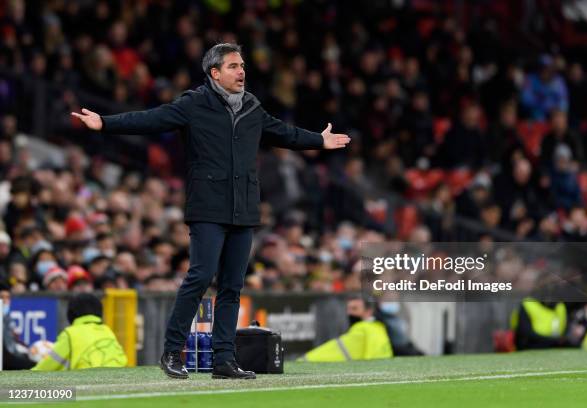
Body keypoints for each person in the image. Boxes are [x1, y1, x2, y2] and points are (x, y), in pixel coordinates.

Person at [71, 43, 350, 379]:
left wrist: (318, 141)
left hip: (243, 208)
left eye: (242, 65)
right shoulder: (194, 103)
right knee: (200, 277)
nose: (242, 71)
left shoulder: (251, 107)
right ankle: (172, 352)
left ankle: (223, 361)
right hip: (207, 206)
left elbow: (284, 133)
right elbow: (151, 119)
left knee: (232, 286)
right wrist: (105, 122)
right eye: (233, 66)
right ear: (215, 73)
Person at [32, 293, 127, 371]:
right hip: (120, 382)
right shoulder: (107, 331)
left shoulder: (70, 334)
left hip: (89, 385)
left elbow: (48, 366)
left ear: (71, 314)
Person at [301, 297, 393, 362]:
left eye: (354, 309)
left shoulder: (368, 328)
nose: (349, 313)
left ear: (368, 311)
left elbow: (376, 356)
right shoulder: (372, 327)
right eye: (348, 309)